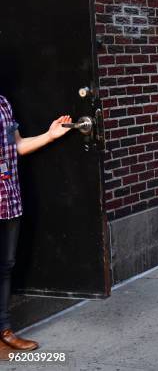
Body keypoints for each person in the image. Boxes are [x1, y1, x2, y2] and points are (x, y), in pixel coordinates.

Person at [0, 94, 71, 359]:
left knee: (6, 266)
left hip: (7, 197)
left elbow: (16, 146)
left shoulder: (3, 103)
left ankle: (5, 331)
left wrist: (50, 135)